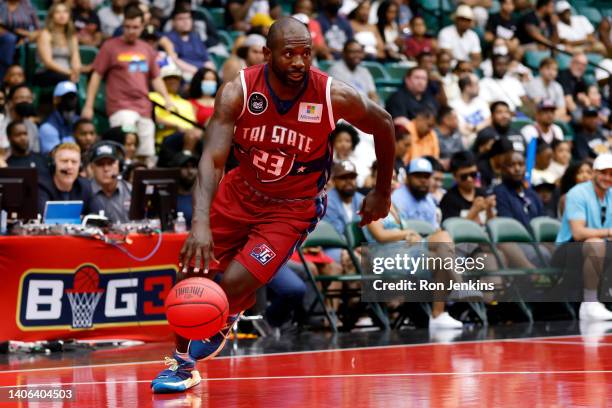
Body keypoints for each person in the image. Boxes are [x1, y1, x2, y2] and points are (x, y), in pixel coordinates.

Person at [151, 17, 395, 393]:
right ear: (267, 54)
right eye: (289, 54)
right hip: (240, 192)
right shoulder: (240, 90)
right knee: (191, 277)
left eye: (306, 54)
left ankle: (228, 312)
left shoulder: (332, 95)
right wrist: (199, 224)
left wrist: (382, 191)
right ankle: (181, 364)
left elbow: (384, 123)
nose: (299, 62)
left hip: (292, 206)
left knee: (231, 284)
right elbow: (212, 160)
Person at [81, 6, 174, 160]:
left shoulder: (146, 49)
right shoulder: (110, 46)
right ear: (123, 25)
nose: (131, 31)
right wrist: (88, 105)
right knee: (124, 150)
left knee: (146, 154)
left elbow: (156, 77)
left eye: (135, 27)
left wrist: (167, 99)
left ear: (143, 26)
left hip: (144, 108)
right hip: (120, 106)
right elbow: (96, 76)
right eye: (127, 27)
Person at [555, 153, 612, 320]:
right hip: (567, 250)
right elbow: (578, 233)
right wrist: (609, 232)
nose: (607, 177)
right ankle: (589, 304)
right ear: (594, 172)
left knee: (599, 244)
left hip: (601, 246)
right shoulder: (577, 193)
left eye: (611, 173)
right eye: (603, 172)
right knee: (595, 243)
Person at [440, 150, 495, 224]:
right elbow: (453, 229)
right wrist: (474, 211)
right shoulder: (449, 199)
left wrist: (489, 209)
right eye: (464, 176)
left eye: (473, 174)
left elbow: (492, 225)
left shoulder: (482, 193)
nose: (469, 179)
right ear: (455, 176)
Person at [38, 142, 93, 216]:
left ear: (80, 167)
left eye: (74, 162)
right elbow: (45, 216)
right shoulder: (41, 186)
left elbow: (95, 217)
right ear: (53, 164)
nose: (69, 166)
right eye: (64, 161)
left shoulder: (85, 187)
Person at [494, 151, 544, 230]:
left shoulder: (532, 194)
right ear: (503, 169)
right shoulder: (499, 194)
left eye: (521, 164)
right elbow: (508, 225)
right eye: (511, 165)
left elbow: (542, 222)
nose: (517, 169)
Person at [35, 3, 81, 87]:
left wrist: (76, 71)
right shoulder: (45, 34)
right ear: (52, 16)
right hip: (47, 72)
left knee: (77, 80)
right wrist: (69, 72)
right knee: (66, 81)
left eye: (65, 12)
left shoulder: (72, 36)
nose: (62, 15)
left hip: (67, 73)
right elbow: (48, 62)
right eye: (57, 12)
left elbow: (76, 59)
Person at [89, 141, 131, 223]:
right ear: (92, 167)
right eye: (100, 164)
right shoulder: (85, 192)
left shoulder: (131, 191)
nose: (106, 169)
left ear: (119, 165)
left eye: (110, 163)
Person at [392, 157, 438, 228]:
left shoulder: (429, 199)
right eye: (418, 176)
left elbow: (435, 228)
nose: (423, 180)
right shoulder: (397, 199)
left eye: (426, 176)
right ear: (407, 178)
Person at [39, 81, 80, 154]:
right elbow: (55, 155)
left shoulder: (78, 120)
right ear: (56, 99)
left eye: (73, 97)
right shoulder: (48, 126)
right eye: (67, 97)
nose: (71, 101)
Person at [0, 83, 39, 155]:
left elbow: (35, 153)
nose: (25, 101)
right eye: (21, 98)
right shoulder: (1, 122)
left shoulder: (32, 126)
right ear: (10, 102)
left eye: (29, 98)